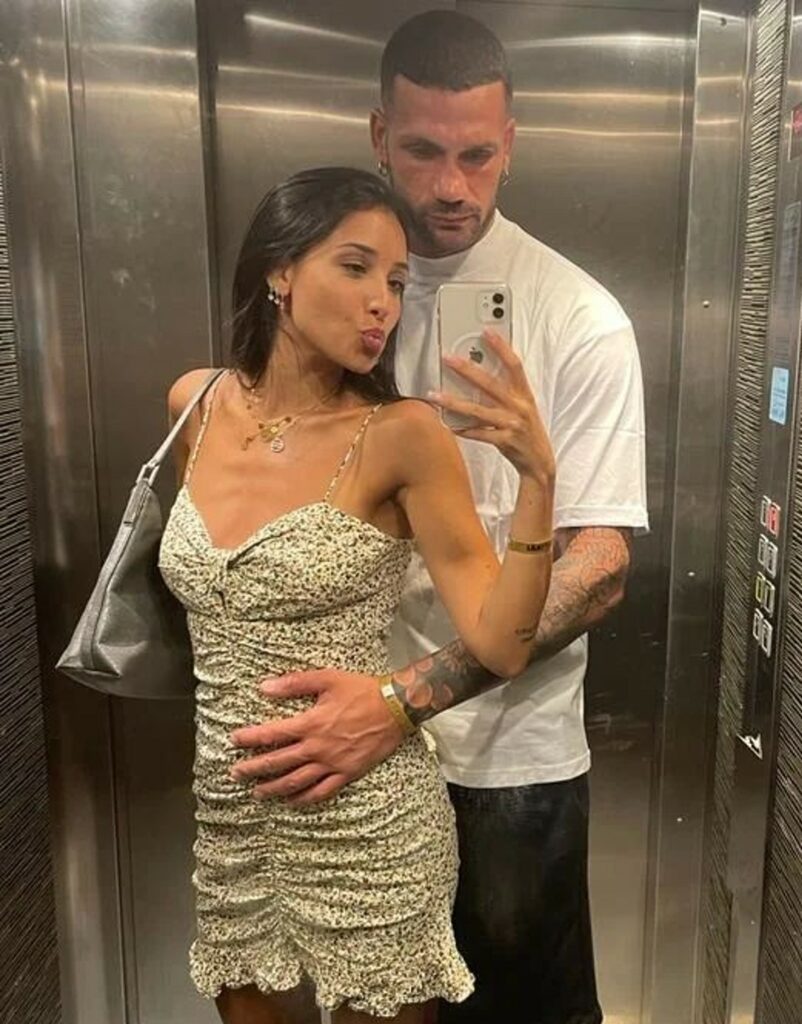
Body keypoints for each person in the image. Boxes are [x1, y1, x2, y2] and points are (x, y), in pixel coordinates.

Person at [229, 12, 649, 1024]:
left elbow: (599, 563)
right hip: (333, 751)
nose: (451, 186)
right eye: (422, 151)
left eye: (477, 155)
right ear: (379, 136)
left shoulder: (576, 316)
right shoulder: (329, 299)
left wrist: (403, 699)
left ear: (511, 143)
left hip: (505, 763)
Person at [159, 165, 555, 1024]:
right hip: (230, 820)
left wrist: (537, 480)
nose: (384, 302)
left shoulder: (403, 436)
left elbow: (501, 643)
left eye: (399, 282)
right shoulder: (195, 405)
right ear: (279, 270)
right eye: (356, 267)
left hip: (367, 822)